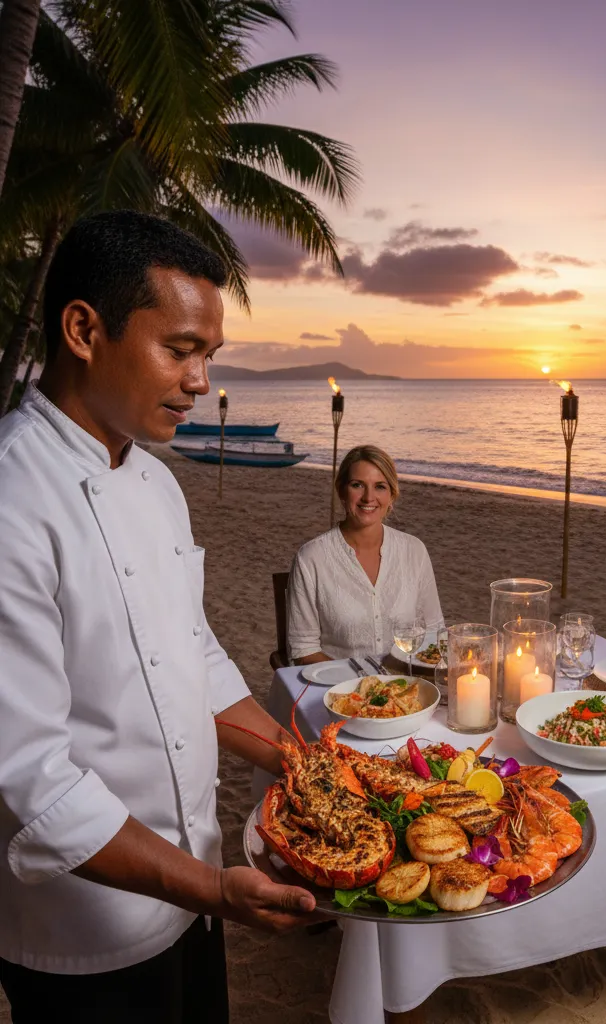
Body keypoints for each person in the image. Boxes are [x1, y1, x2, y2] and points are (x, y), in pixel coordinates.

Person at [0, 211, 318, 1023]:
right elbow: (33, 777)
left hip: (197, 893)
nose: (199, 381)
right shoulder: (12, 496)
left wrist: (305, 764)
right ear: (83, 329)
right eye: (179, 349)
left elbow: (195, 658)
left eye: (207, 356)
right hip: (84, 934)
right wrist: (215, 886)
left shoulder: (157, 483)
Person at [287, 444, 443, 664]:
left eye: (380, 486)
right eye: (357, 485)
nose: (369, 497)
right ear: (341, 490)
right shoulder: (311, 558)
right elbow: (304, 649)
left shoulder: (414, 551)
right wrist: (360, 687)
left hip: (408, 687)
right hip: (340, 690)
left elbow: (434, 631)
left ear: (392, 494)